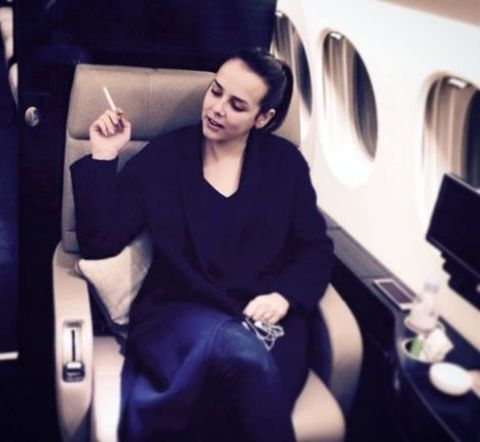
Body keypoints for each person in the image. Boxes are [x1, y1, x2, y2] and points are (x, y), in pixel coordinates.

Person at [71, 47, 334, 442]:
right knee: (242, 359)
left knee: (245, 374)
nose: (216, 108)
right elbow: (99, 243)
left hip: (260, 313)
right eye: (216, 91)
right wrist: (104, 156)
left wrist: (284, 297)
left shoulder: (286, 165)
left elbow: (315, 248)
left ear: (262, 119)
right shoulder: (164, 158)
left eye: (237, 105)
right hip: (180, 311)